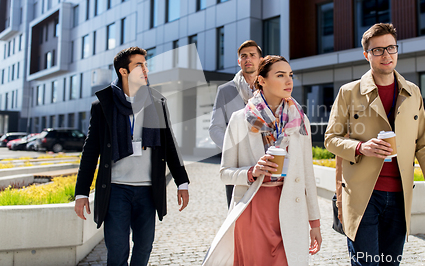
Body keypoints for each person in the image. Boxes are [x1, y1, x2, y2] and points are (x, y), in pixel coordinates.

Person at [324, 23, 425, 266]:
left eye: (391, 48)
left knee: (391, 263)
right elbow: (331, 138)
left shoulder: (413, 92)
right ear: (366, 54)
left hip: (400, 195)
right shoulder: (349, 92)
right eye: (377, 50)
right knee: (366, 263)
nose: (386, 55)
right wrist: (360, 148)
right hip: (363, 195)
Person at [74, 47, 190, 266]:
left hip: (148, 190)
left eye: (146, 64)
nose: (146, 69)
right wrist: (81, 192)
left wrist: (181, 181)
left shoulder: (157, 102)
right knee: (117, 251)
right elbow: (91, 150)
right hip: (116, 189)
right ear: (123, 71)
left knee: (144, 247)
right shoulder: (104, 105)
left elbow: (169, 145)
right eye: (139, 65)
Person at [203, 55, 322, 266]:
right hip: (253, 210)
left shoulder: (299, 120)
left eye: (290, 75)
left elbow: (307, 174)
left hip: (291, 210)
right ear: (262, 81)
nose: (288, 81)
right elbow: (225, 173)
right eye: (280, 75)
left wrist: (315, 223)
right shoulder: (240, 119)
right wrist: (252, 172)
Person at [209, 40, 263, 207]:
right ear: (239, 62)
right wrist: (233, 149)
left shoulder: (268, 87)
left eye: (252, 55)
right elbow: (215, 128)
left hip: (264, 163)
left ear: (260, 60)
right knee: (237, 217)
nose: (248, 59)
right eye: (243, 56)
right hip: (237, 167)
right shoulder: (225, 90)